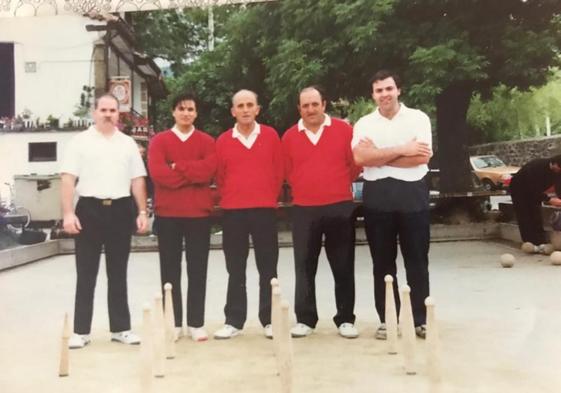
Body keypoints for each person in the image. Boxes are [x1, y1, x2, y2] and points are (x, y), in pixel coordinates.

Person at [61, 94, 148, 349]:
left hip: (121, 210)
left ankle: (121, 328)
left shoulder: (128, 143)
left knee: (118, 272)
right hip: (89, 209)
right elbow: (67, 179)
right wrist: (68, 213)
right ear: (94, 112)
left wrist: (142, 211)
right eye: (103, 109)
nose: (108, 114)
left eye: (113, 110)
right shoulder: (79, 142)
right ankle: (81, 331)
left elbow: (137, 180)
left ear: (118, 114)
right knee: (86, 273)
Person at [352, 70, 432, 340]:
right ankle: (388, 319)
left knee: (417, 260)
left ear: (398, 90)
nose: (384, 94)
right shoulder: (364, 123)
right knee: (382, 263)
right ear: (373, 95)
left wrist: (379, 156)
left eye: (388, 88)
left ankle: (420, 319)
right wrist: (402, 149)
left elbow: (419, 159)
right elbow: (360, 158)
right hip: (378, 196)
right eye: (378, 90)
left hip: (413, 194)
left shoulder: (418, 118)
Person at [282, 86, 361, 339]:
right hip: (305, 208)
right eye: (305, 105)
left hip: (339, 205)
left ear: (324, 104)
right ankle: (305, 319)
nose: (310, 110)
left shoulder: (343, 130)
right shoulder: (290, 136)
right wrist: (307, 185)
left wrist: (335, 184)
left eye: (314, 104)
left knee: (343, 263)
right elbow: (286, 170)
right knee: (304, 265)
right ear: (299, 109)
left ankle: (345, 319)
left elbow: (354, 165)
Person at [214, 89, 283, 339]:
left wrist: (266, 196)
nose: (245, 109)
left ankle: (270, 319)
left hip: (264, 210)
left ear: (257, 109)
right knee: (236, 268)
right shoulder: (222, 141)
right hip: (233, 212)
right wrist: (234, 196)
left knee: (268, 267)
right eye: (240, 105)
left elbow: (279, 171)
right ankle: (234, 320)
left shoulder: (271, 136)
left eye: (249, 105)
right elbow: (220, 177)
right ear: (233, 111)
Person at [148, 93, 216, 342]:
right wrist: (190, 172)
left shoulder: (207, 141)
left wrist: (178, 166)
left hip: (198, 214)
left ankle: (196, 322)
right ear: (173, 112)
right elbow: (159, 174)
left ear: (196, 113)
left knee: (198, 269)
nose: (186, 113)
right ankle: (173, 323)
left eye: (191, 109)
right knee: (170, 269)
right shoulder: (159, 141)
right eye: (181, 108)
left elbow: (208, 172)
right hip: (168, 214)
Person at [509, 155, 561, 254]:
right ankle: (530, 243)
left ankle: (540, 242)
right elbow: (531, 188)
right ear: (554, 164)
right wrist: (549, 199)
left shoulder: (558, 171)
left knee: (536, 213)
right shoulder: (536, 167)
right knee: (524, 214)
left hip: (535, 190)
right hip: (519, 188)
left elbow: (559, 186)